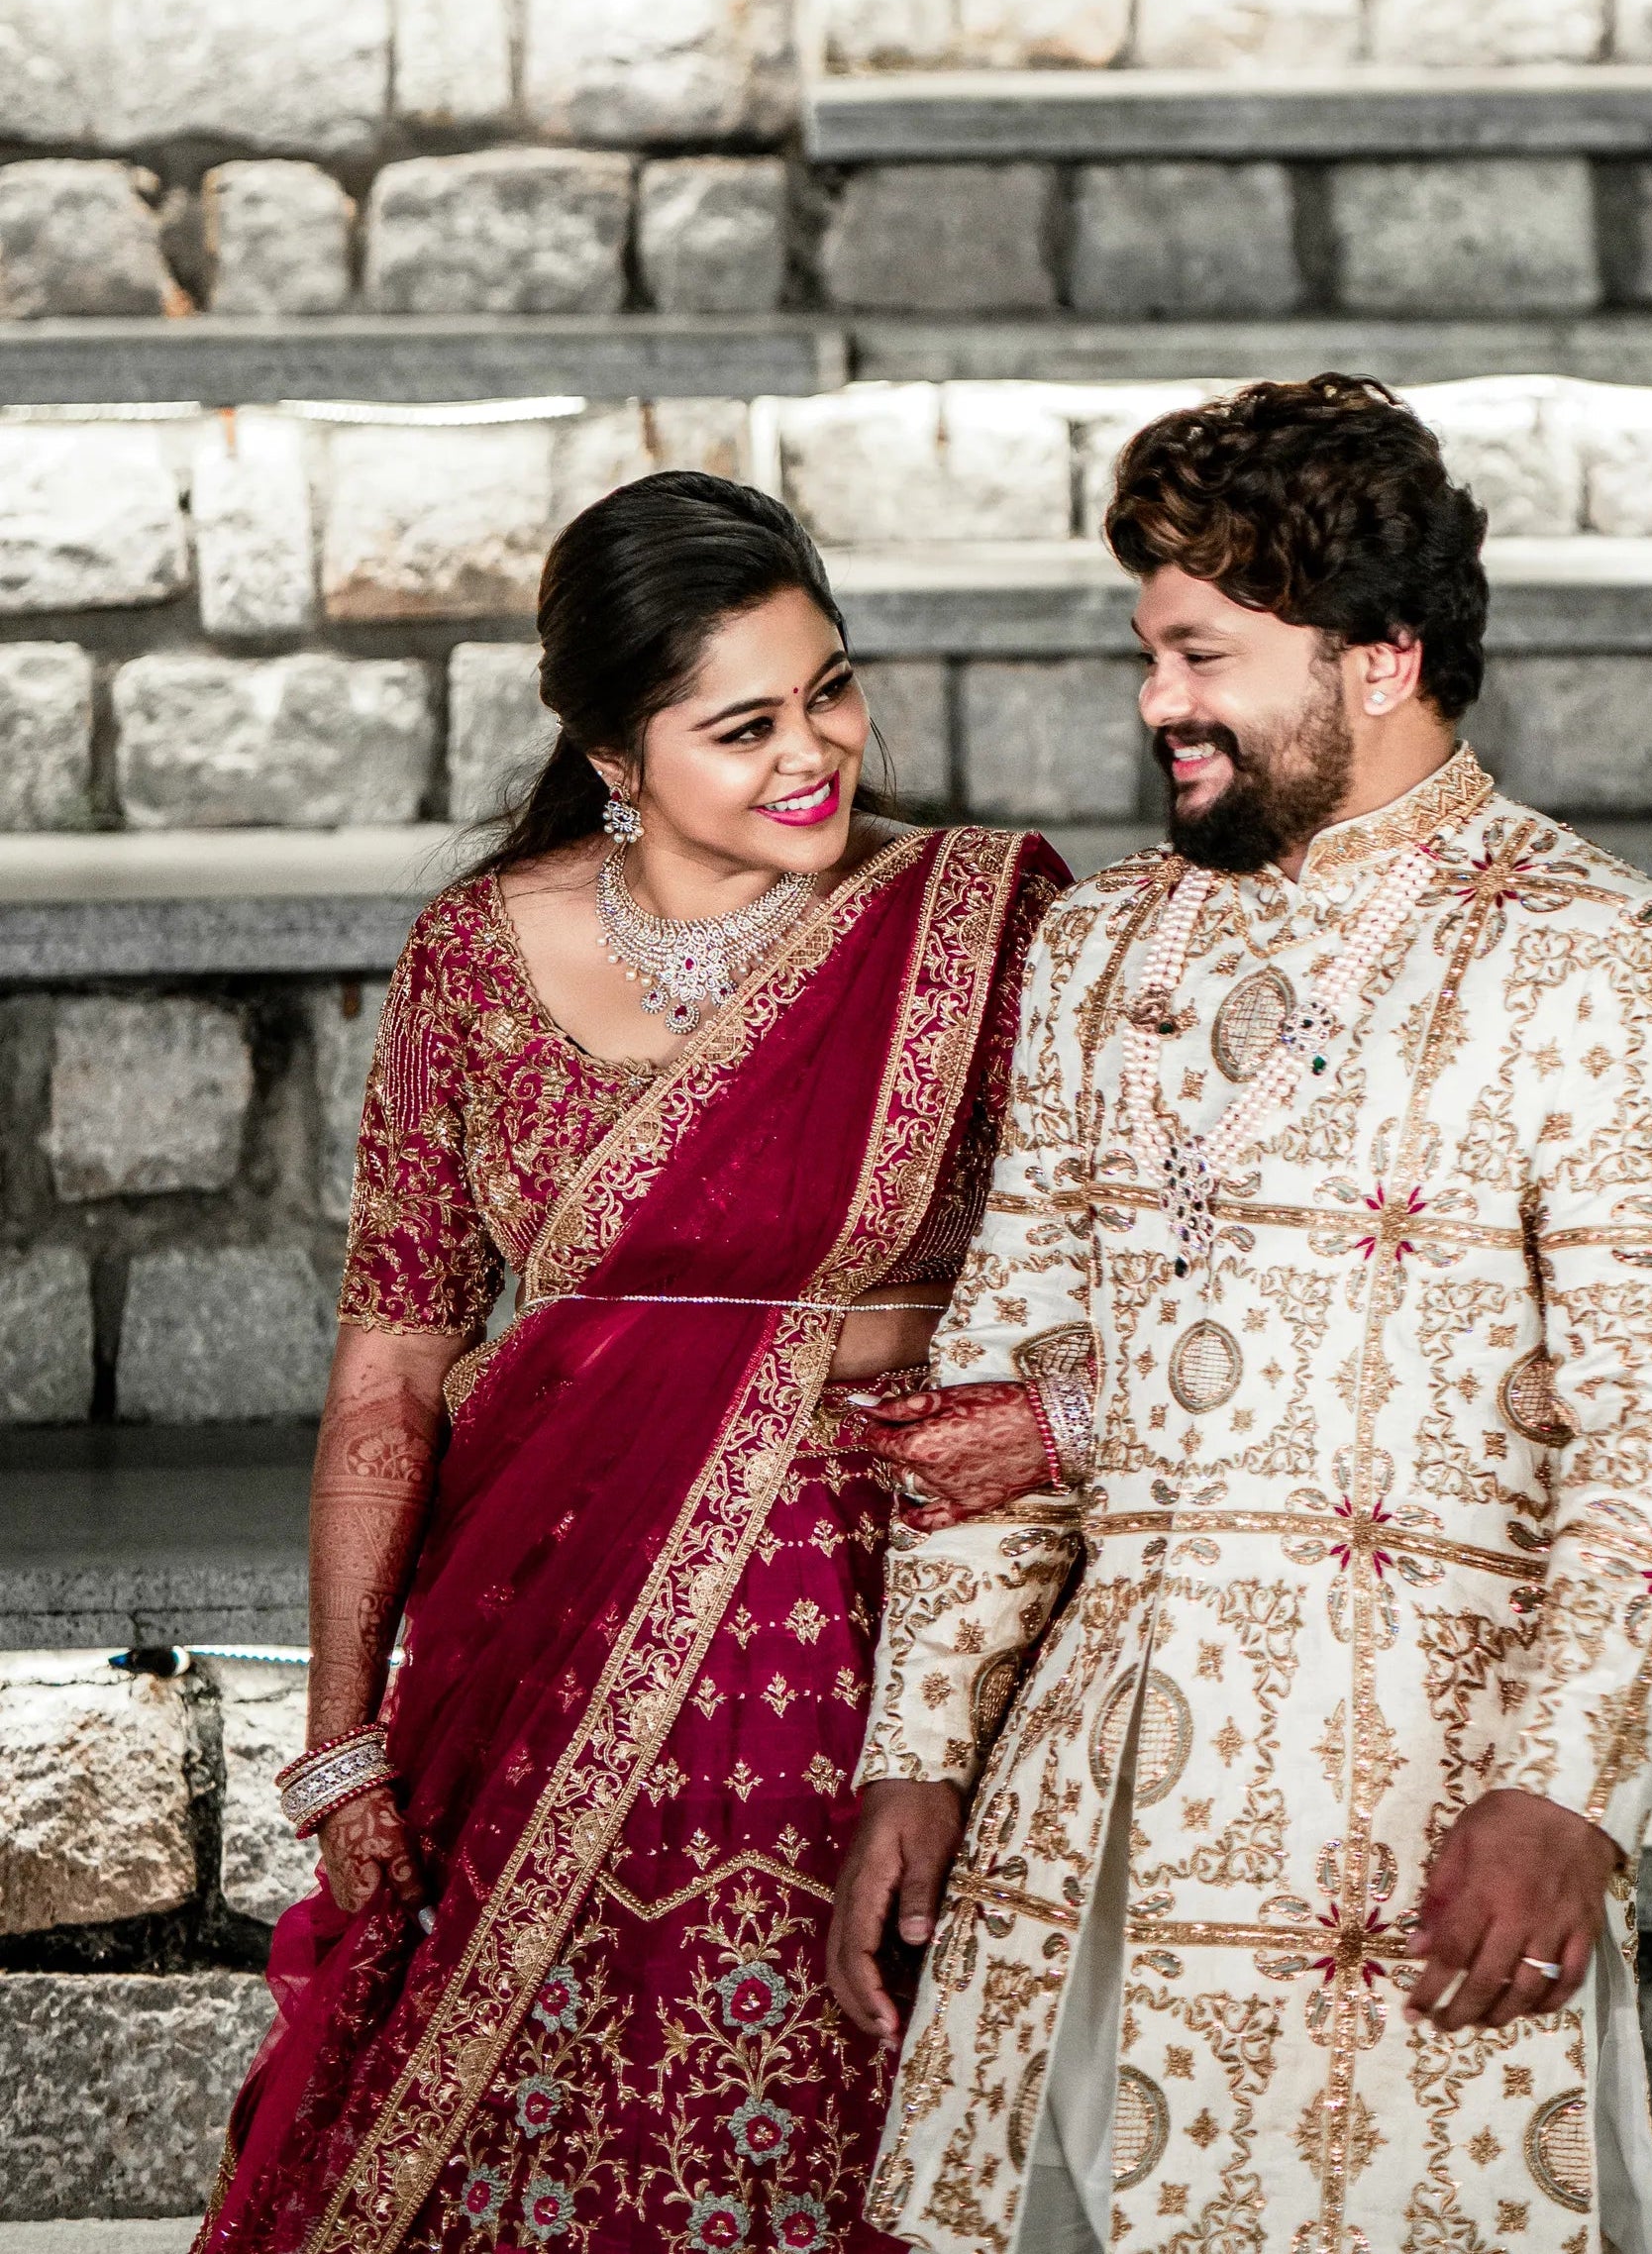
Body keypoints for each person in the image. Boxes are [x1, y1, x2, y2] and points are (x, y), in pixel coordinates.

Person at [826, 373, 1652, 2254]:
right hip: (1094, 1802)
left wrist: (1564, 1787)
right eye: (1148, 653)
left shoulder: (1597, 953)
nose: (1158, 700)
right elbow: (999, 1383)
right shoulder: (1103, 949)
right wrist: (919, 1745)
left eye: (1203, 654)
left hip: (1420, 1800)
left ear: (1382, 654)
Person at [202, 471, 1065, 2254]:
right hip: (546, 1618)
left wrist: (1055, 1418)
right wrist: (340, 1735)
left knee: (850, 2093)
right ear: (614, 754)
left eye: (831, 687)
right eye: (743, 727)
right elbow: (391, 1367)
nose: (815, 752)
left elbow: (1119, 1278)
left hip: (883, 1622)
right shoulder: (473, 955)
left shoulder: (980, 921)